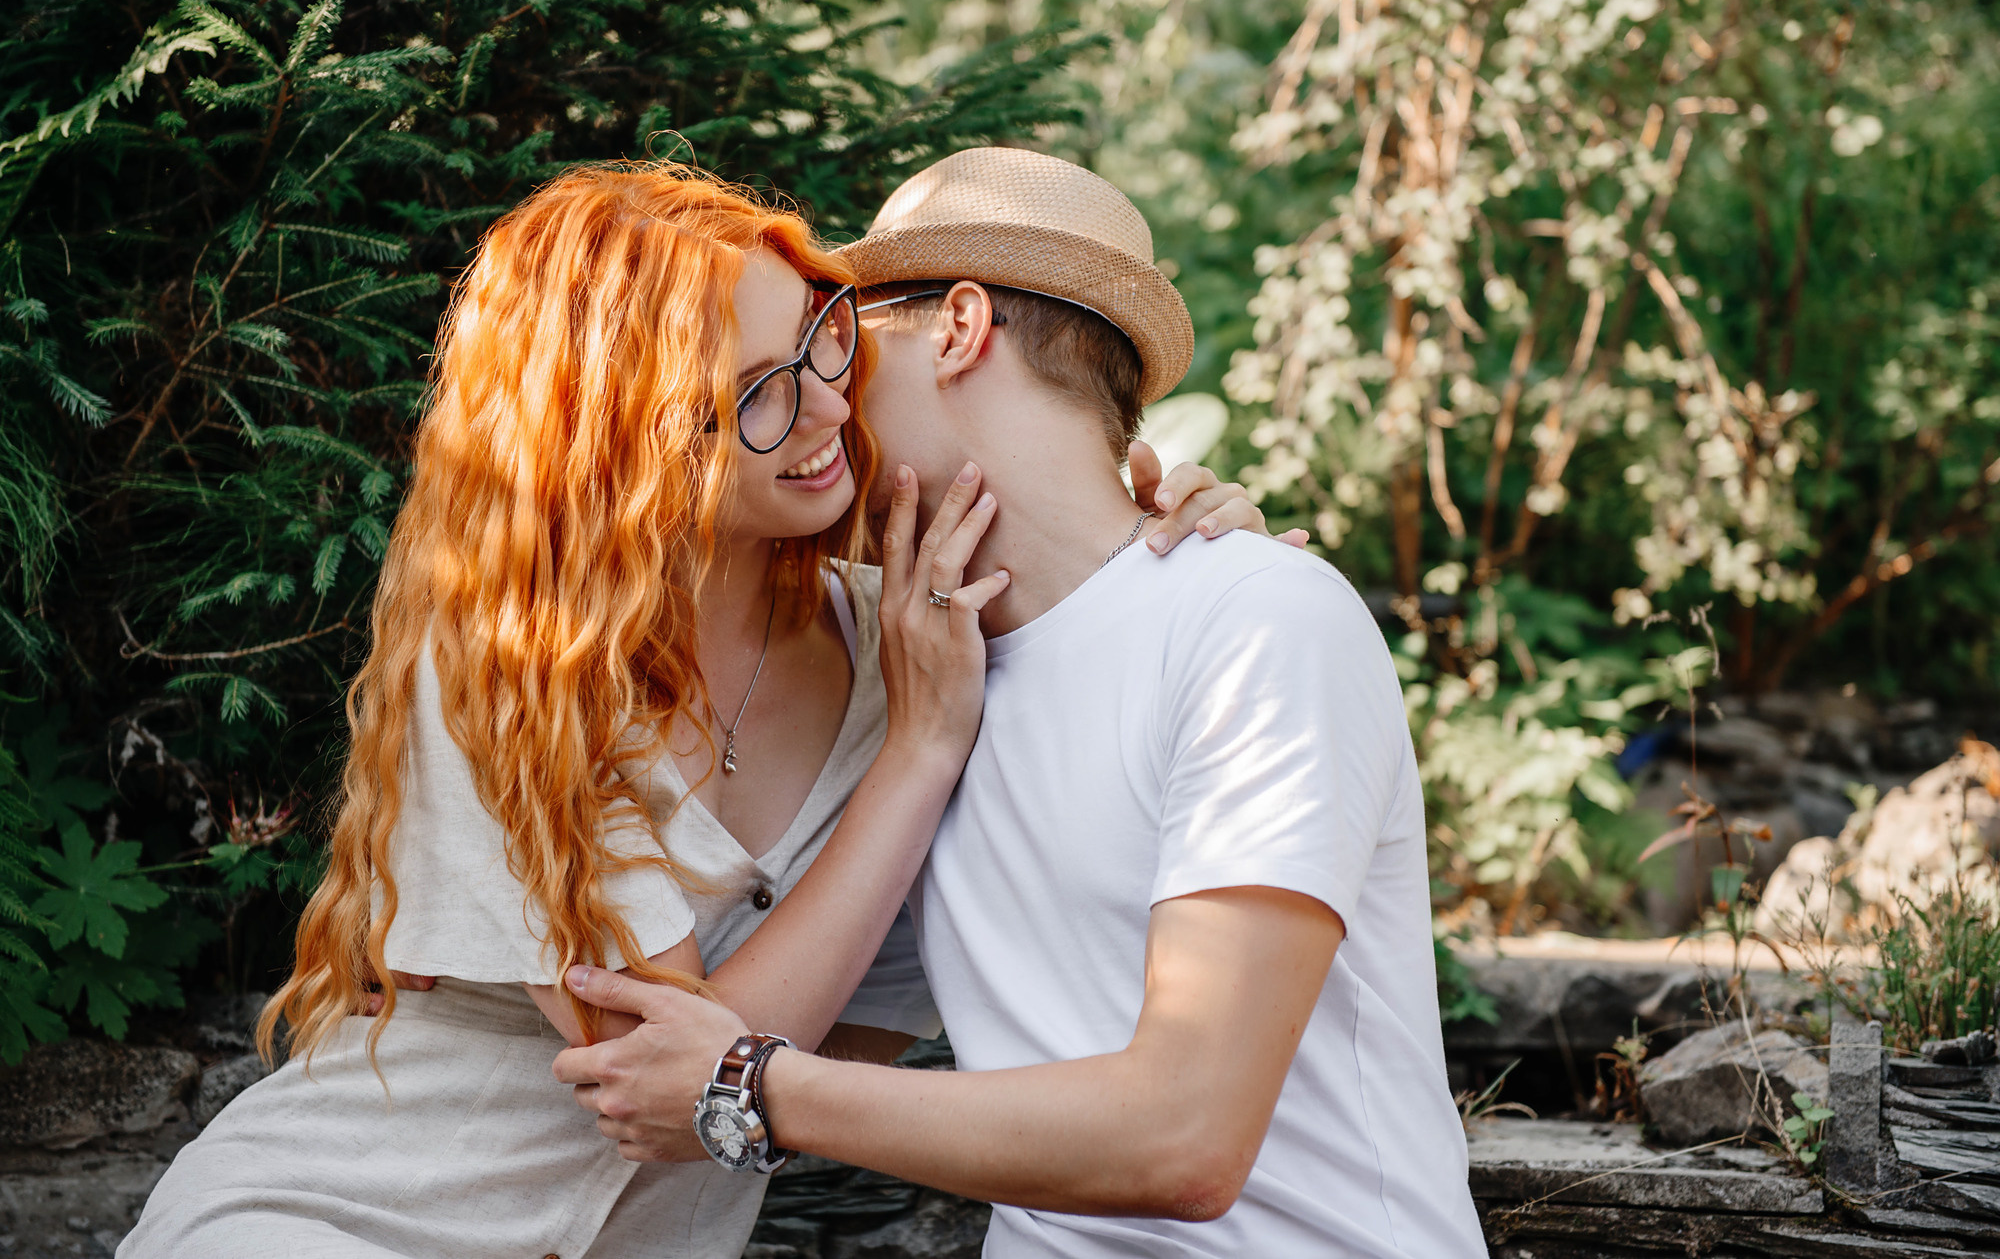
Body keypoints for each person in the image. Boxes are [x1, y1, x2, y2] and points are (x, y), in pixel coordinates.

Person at [117, 162, 1277, 1259]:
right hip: (335, 1222)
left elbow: (808, 1058)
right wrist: (917, 757)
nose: (825, 406)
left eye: (820, 340)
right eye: (751, 401)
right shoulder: (513, 661)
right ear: (615, 453)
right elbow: (660, 1077)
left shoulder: (907, 638)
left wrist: (1191, 546)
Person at [553, 148, 1491, 1259]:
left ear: (957, 328)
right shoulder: (924, 681)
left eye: (846, 336)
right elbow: (783, 1044)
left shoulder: (1252, 621)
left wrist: (752, 1087)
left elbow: (1183, 1140)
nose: (821, 395)